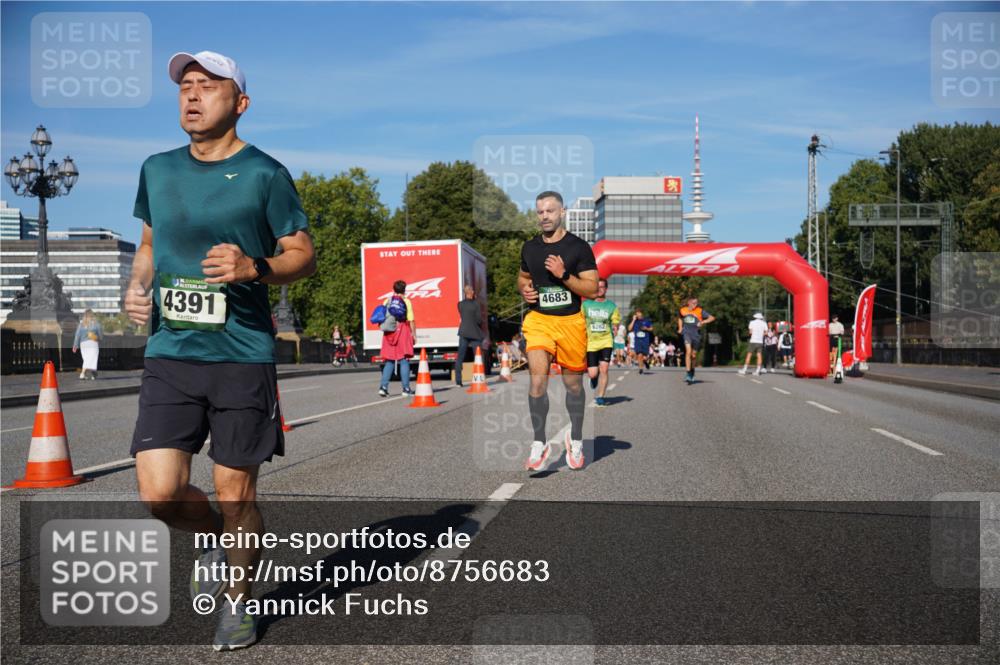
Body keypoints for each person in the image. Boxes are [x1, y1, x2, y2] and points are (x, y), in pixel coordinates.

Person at [125, 50, 315, 652]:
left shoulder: (265, 174)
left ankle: (237, 601)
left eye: (208, 86)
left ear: (241, 103)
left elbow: (302, 255)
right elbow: (149, 245)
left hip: (240, 355)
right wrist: (137, 286)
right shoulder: (157, 169)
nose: (192, 94)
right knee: (159, 495)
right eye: (186, 85)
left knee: (237, 494)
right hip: (171, 352)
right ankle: (210, 536)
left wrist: (254, 266)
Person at [518, 191, 599, 471]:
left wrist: (563, 275)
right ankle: (539, 442)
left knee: (573, 386)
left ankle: (575, 438)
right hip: (539, 320)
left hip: (570, 323)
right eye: (540, 212)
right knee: (537, 380)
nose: (544, 216)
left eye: (550, 211)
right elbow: (523, 277)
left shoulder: (579, 247)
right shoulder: (530, 247)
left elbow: (592, 288)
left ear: (562, 212)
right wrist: (525, 290)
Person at [582, 278, 620, 407]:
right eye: (597, 287)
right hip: (591, 342)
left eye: (602, 287)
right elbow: (580, 320)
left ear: (606, 289)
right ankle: (594, 378)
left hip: (606, 341)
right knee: (592, 373)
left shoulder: (611, 306)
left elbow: (615, 320)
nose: (599, 289)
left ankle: (601, 396)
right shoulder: (586, 305)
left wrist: (615, 327)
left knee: (604, 369)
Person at [378, 280, 416, 397]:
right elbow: (411, 320)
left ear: (393, 289)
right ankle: (406, 389)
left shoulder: (387, 301)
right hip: (402, 330)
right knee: (404, 359)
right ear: (404, 290)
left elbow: (382, 317)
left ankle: (383, 387)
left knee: (389, 360)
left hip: (389, 332)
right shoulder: (406, 301)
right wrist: (413, 334)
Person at [677, 297, 715, 384]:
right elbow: (680, 318)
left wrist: (702, 322)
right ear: (689, 303)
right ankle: (688, 373)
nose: (695, 304)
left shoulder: (700, 311)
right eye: (694, 303)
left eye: (696, 303)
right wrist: (680, 328)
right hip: (686, 333)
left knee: (693, 355)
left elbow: (712, 318)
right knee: (688, 352)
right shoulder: (683, 310)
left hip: (696, 335)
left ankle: (692, 370)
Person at [454, 285, 484, 387]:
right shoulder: (476, 304)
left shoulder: (460, 304)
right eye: (473, 291)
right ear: (471, 292)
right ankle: (479, 378)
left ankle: (458, 381)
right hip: (474, 333)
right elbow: (479, 320)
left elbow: (463, 315)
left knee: (460, 357)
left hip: (463, 332)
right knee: (478, 356)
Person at [72, 309, 103, 380]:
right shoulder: (96, 324)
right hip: (93, 343)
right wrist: (99, 339)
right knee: (92, 359)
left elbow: (77, 335)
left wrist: (75, 345)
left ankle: (94, 373)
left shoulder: (81, 325)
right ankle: (83, 373)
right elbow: (100, 335)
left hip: (83, 344)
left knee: (87, 359)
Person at [630, 309, 653, 374]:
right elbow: (629, 328)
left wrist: (646, 328)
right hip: (638, 341)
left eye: (639, 313)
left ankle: (645, 362)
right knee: (639, 355)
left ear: (642, 313)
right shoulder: (635, 321)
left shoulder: (647, 320)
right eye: (636, 313)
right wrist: (633, 320)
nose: (638, 315)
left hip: (645, 340)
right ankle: (641, 368)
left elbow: (651, 328)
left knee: (645, 357)